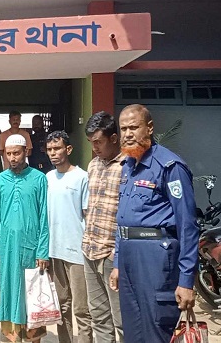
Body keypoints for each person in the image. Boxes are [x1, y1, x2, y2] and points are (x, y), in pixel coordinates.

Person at [110, 104, 199, 343]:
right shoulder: (128, 166)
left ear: (149, 128)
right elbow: (123, 218)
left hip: (156, 259)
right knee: (132, 331)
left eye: (134, 127)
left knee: (155, 330)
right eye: (123, 129)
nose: (128, 134)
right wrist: (118, 263)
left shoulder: (170, 166)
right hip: (128, 257)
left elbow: (188, 225)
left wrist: (186, 280)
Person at [0, 134, 49, 342]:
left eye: (16, 153)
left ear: (26, 152)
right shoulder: (1, 179)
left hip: (31, 249)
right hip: (7, 249)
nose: (12, 158)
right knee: (9, 291)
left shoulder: (39, 179)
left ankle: (33, 338)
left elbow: (44, 216)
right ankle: (12, 338)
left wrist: (43, 251)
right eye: (9, 154)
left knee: (32, 294)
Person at [45, 131, 92, 343]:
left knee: (82, 308)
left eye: (57, 148)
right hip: (54, 251)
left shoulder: (82, 177)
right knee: (61, 306)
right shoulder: (47, 178)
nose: (53, 153)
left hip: (77, 252)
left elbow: (87, 214)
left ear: (69, 149)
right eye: (49, 149)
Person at [82, 111, 125, 343]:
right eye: (91, 142)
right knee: (99, 317)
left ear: (114, 138)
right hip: (90, 250)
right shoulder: (93, 165)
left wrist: (117, 253)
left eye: (98, 142)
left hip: (113, 255)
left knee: (121, 319)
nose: (94, 147)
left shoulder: (128, 166)